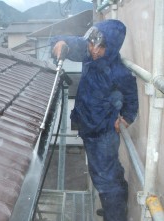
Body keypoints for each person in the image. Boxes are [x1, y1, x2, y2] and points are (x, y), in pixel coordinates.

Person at [51, 19, 138, 221]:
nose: (93, 49)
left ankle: (114, 215)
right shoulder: (89, 56)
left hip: (103, 134)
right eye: (91, 44)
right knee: (108, 173)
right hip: (89, 128)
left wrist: (126, 118)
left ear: (112, 47)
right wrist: (59, 42)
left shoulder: (120, 73)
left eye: (99, 47)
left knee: (106, 179)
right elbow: (71, 42)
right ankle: (114, 208)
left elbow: (132, 98)